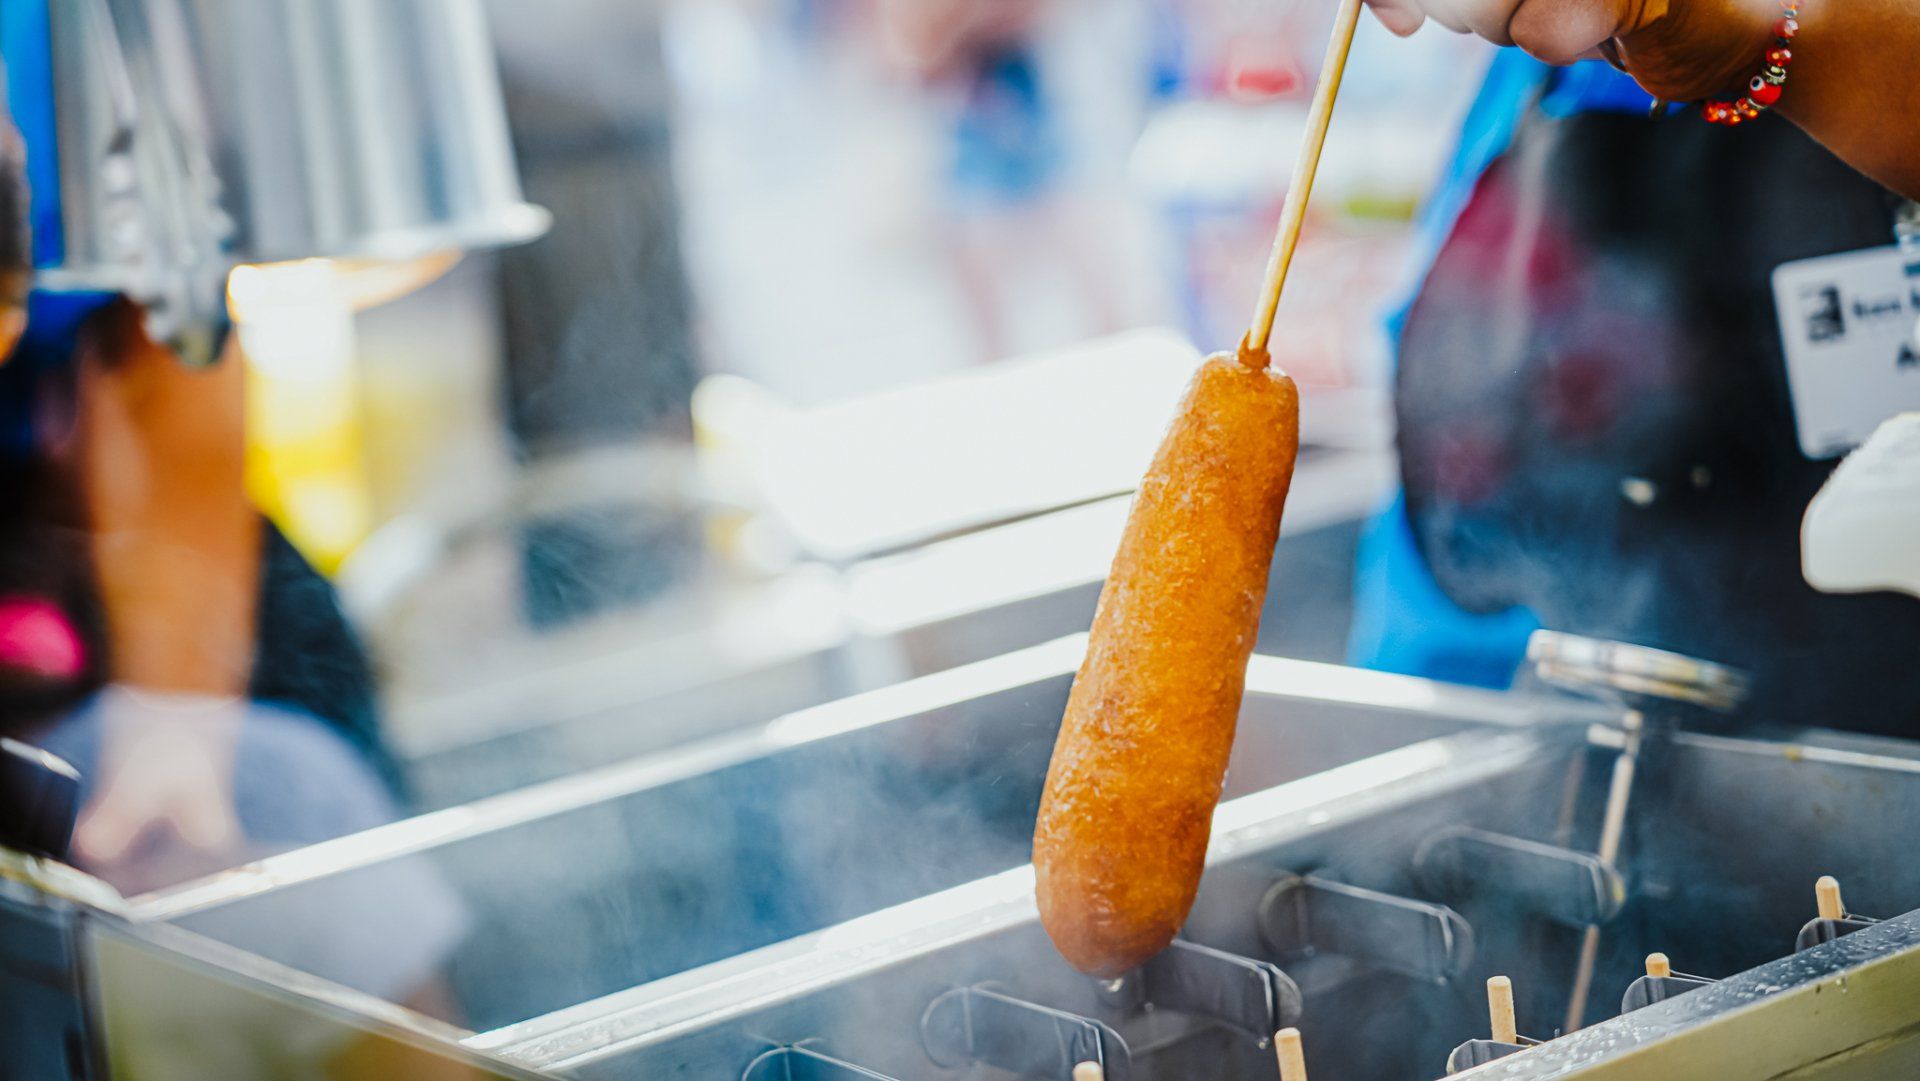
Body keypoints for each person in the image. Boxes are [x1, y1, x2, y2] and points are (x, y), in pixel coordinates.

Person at [1346, 0, 1920, 734]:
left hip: (1856, 791)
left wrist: (1769, 41)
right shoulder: (1528, 65)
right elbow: (1437, 583)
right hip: (1525, 761)